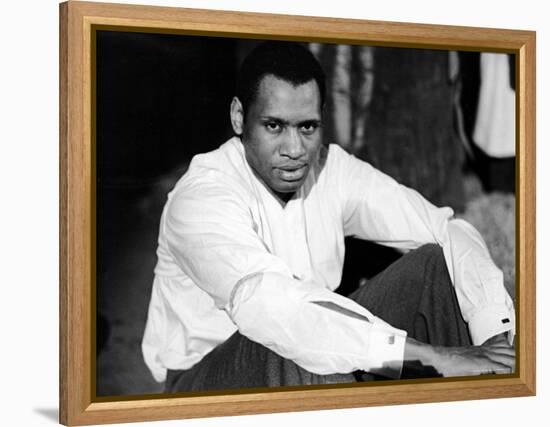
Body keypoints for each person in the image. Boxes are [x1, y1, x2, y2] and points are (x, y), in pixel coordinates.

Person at [142, 41, 515, 392]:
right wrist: (433, 358)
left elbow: (444, 228)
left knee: (434, 264)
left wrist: (492, 338)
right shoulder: (203, 195)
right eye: (274, 126)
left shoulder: (331, 169)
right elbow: (272, 307)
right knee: (303, 341)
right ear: (240, 117)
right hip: (207, 381)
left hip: (304, 348)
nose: (294, 149)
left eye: (307, 127)